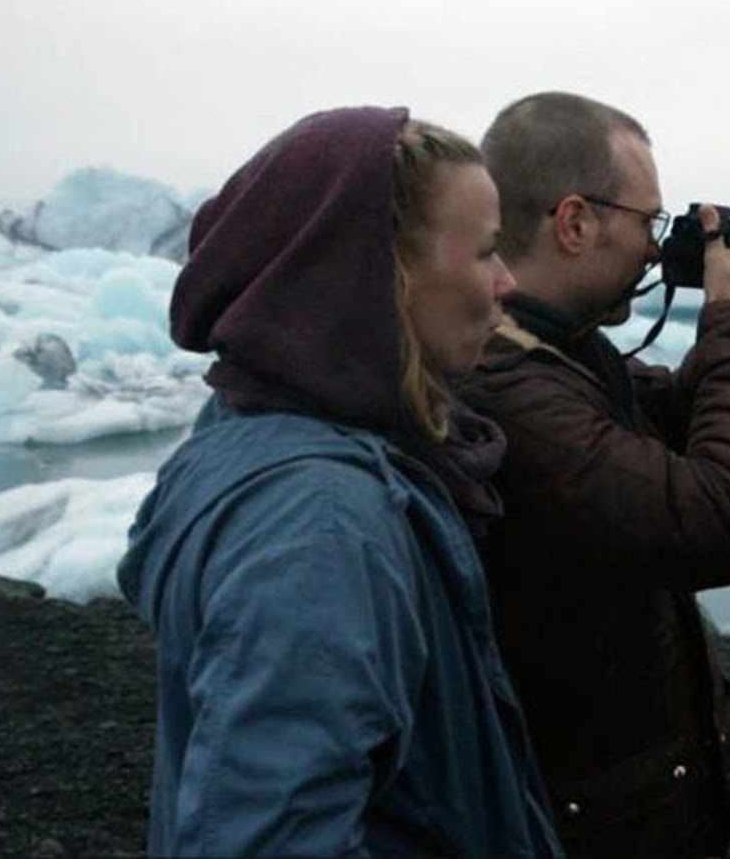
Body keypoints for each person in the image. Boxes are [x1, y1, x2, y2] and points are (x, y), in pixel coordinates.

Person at [117, 107, 561, 856]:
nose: (507, 282)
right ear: (376, 271)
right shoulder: (319, 525)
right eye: (486, 251)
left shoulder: (245, 427)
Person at [457, 91, 730, 856]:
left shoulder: (563, 356)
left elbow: (667, 426)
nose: (658, 251)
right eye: (648, 223)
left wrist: (729, 337)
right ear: (576, 222)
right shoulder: (504, 387)